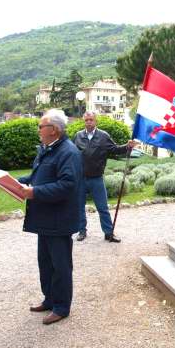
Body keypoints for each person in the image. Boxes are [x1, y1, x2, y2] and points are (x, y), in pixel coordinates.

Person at [18, 109, 83, 325]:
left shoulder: (68, 152)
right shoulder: (47, 149)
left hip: (59, 220)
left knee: (60, 265)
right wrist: (16, 182)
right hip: (44, 218)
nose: (38, 130)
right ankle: (50, 299)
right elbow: (38, 176)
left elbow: (67, 185)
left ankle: (62, 307)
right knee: (45, 263)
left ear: (53, 130)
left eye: (40, 126)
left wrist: (34, 192)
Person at [73, 111, 136, 243]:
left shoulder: (103, 136)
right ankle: (81, 231)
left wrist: (127, 147)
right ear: (84, 121)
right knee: (79, 207)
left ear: (96, 121)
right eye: (86, 120)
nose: (89, 122)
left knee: (103, 208)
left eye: (91, 120)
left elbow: (114, 149)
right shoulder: (78, 136)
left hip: (96, 178)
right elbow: (72, 154)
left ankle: (109, 233)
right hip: (81, 178)